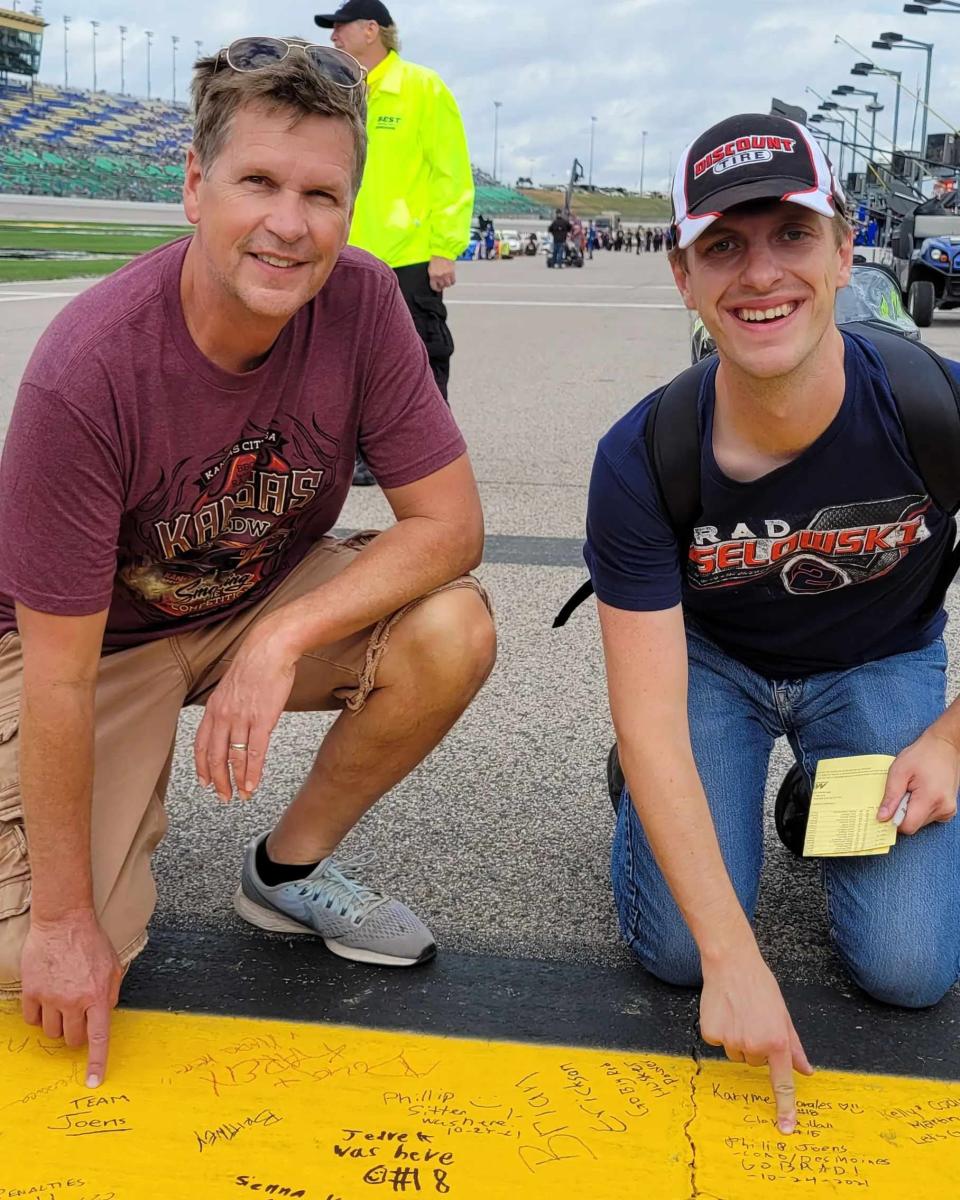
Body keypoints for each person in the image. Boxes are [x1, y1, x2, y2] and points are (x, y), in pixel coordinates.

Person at [0, 36, 496, 1087]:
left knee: (452, 629)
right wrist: (63, 918)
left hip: (248, 599)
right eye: (258, 181)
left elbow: (450, 527)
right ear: (193, 186)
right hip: (96, 647)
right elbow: (59, 675)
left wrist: (282, 636)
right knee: (36, 957)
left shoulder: (362, 304)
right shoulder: (88, 372)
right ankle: (99, 836)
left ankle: (286, 870)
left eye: (322, 193)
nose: (289, 222)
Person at [585, 113, 960, 1138]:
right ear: (683, 277)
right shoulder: (641, 456)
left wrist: (950, 739)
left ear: (845, 250)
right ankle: (657, 796)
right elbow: (651, 714)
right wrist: (734, 958)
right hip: (714, 667)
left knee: (911, 969)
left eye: (790, 235)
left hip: (879, 657)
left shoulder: (936, 403)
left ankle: (810, 795)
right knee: (678, 954)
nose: (760, 275)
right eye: (723, 245)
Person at [316, 0, 474, 486]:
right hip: (345, 251)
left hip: (408, 254)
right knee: (345, 357)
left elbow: (451, 171)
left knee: (423, 354)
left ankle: (430, 452)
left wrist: (445, 245)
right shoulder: (339, 90)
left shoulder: (421, 88)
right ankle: (361, 453)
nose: (333, 36)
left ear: (371, 29)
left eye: (340, 26)